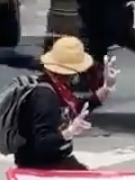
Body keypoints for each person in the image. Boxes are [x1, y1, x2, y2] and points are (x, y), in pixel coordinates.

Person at [6, 37, 117, 169]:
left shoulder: (58, 86)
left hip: (57, 159)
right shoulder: (45, 97)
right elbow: (42, 143)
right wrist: (69, 132)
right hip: (42, 166)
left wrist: (107, 87)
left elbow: (79, 106)